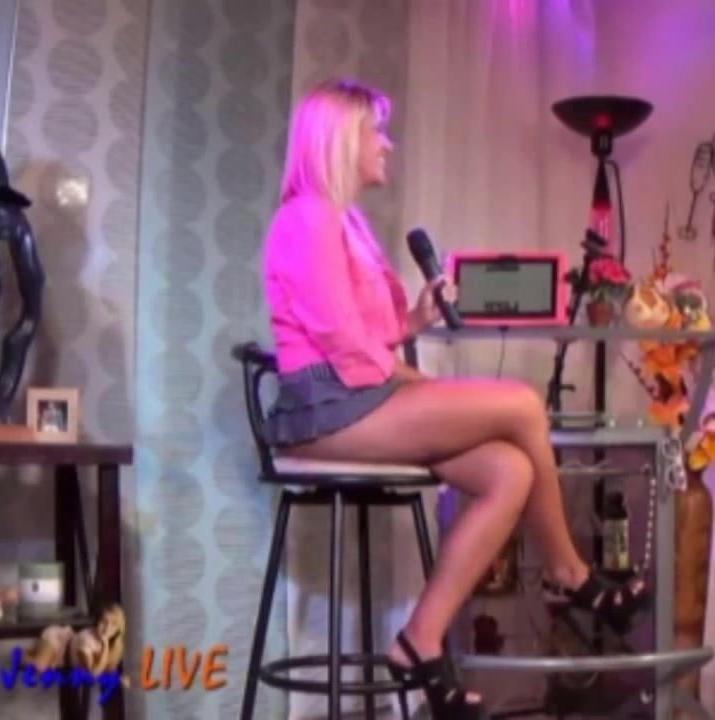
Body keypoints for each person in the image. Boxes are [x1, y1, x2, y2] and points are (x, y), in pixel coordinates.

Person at [260, 79, 647, 719]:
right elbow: (341, 345)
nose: (386, 144)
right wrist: (414, 382)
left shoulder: (346, 223)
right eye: (375, 131)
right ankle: (571, 574)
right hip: (327, 409)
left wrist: (414, 321)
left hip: (358, 396)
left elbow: (365, 333)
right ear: (339, 140)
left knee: (510, 470)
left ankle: (419, 638)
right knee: (522, 404)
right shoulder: (307, 218)